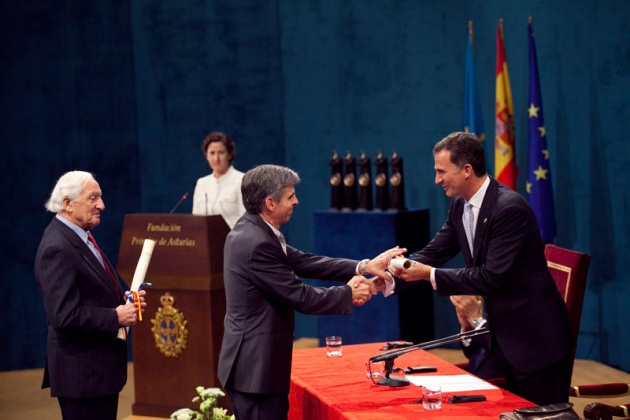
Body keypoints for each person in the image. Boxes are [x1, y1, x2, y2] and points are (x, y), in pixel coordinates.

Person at [388, 132, 573, 406]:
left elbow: (491, 277)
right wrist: (386, 278)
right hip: (502, 340)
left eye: (441, 171)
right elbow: (435, 251)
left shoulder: (509, 209)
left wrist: (427, 274)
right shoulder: (460, 205)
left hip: (535, 342)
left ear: (466, 170)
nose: (437, 179)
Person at [217, 164, 405, 420]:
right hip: (255, 373)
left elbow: (306, 261)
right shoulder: (256, 243)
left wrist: (364, 265)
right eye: (290, 196)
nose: (296, 201)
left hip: (256, 367)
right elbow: (300, 297)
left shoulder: (253, 229)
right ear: (270, 203)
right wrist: (348, 293)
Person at [34, 170, 147, 420]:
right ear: (67, 203)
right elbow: (64, 316)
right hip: (83, 376)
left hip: (97, 373)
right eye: (93, 198)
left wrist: (123, 301)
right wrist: (116, 316)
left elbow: (91, 293)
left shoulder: (80, 236)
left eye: (100, 197)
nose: (102, 205)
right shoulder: (57, 247)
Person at [192, 131, 246, 228]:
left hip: (234, 241)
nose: (216, 158)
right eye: (212, 153)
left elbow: (248, 221)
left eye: (221, 153)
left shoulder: (242, 180)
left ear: (229, 155)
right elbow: (196, 222)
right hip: (205, 241)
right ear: (207, 156)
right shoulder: (201, 183)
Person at [450, 295, 504, 381]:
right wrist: (468, 330)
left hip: (498, 386)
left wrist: (476, 320)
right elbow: (473, 354)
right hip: (476, 380)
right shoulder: (490, 318)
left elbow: (501, 347)